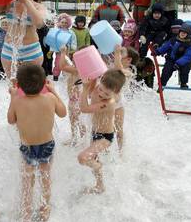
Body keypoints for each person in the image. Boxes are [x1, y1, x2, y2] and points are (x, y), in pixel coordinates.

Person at [7, 64, 67, 221]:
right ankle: (45, 208)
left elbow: (11, 120)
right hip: (47, 145)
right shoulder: (50, 98)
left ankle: (26, 211)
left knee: (28, 179)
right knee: (45, 177)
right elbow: (63, 113)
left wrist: (13, 97)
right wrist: (54, 91)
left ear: (18, 85)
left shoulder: (18, 101)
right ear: (43, 85)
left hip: (27, 146)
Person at [77, 69, 126, 194]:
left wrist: (85, 88)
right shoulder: (98, 86)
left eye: (107, 93)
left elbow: (83, 108)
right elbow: (91, 77)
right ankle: (100, 186)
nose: (102, 94)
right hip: (95, 132)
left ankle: (99, 167)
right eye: (101, 90)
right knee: (94, 158)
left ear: (116, 93)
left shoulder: (109, 103)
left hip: (105, 137)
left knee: (83, 158)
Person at [152, 23, 191, 89]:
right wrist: (158, 51)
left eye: (185, 33)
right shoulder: (173, 40)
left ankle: (183, 83)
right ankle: (162, 84)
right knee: (166, 70)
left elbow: (188, 56)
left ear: (189, 35)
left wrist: (179, 63)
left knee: (185, 69)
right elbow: (165, 47)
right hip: (172, 59)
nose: (182, 34)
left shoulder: (190, 45)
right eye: (181, 32)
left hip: (182, 62)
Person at [59, 46, 87, 147]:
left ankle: (83, 140)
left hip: (77, 101)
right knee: (73, 120)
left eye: (76, 57)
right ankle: (75, 138)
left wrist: (62, 53)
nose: (73, 59)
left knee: (79, 121)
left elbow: (62, 66)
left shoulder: (77, 70)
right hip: (73, 100)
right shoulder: (78, 69)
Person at [51, 13, 77, 81]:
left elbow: (73, 40)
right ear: (59, 22)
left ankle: (65, 74)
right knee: (57, 62)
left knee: (66, 62)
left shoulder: (70, 32)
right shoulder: (57, 31)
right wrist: (52, 49)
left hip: (67, 50)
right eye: (62, 22)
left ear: (68, 23)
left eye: (66, 22)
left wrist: (73, 47)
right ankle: (56, 74)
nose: (64, 24)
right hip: (59, 50)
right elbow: (53, 41)